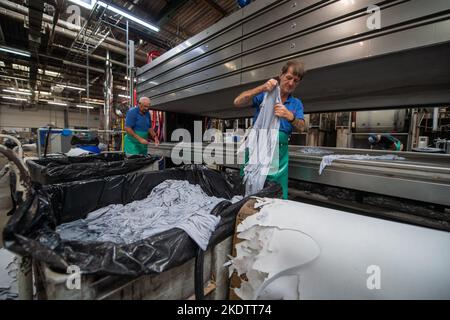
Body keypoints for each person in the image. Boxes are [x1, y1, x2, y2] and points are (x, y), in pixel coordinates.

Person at [234, 60, 306, 199]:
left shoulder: (296, 104)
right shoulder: (265, 96)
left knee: (275, 192)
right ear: (281, 75)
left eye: (296, 81)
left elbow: (303, 127)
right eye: (289, 77)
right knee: (250, 186)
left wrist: (290, 116)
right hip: (257, 148)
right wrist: (261, 88)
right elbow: (238, 101)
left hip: (278, 155)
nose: (291, 83)